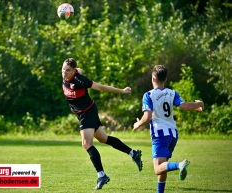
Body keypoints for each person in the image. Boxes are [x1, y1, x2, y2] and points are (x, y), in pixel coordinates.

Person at [61, 58, 143, 190]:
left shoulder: (80, 80)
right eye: (63, 69)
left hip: (87, 113)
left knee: (86, 144)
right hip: (83, 113)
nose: (64, 72)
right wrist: (78, 70)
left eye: (68, 70)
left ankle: (102, 175)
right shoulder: (69, 74)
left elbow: (100, 87)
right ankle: (133, 153)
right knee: (104, 139)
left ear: (73, 71)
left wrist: (122, 91)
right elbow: (79, 69)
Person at [133, 65, 204, 193]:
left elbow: (147, 116)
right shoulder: (172, 93)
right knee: (163, 165)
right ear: (165, 79)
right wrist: (199, 104)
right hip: (173, 134)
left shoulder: (148, 95)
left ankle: (179, 165)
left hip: (160, 135)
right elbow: (185, 106)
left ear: (153, 79)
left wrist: (137, 124)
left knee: (157, 168)